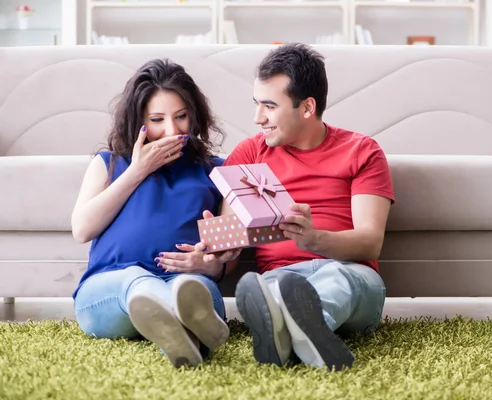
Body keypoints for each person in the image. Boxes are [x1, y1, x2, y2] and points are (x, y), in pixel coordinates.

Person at [222, 43, 395, 371]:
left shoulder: (362, 151)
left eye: (269, 106)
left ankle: (287, 332)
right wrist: (216, 247)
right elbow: (230, 241)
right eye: (257, 104)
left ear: (306, 107)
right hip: (280, 275)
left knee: (335, 280)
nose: (257, 118)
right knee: (272, 290)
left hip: (351, 274)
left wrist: (313, 239)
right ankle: (300, 335)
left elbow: (370, 241)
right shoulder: (248, 154)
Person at [71, 58, 239, 368]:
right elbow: (82, 229)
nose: (172, 131)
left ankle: (181, 339)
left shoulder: (217, 171)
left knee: (192, 290)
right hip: (110, 293)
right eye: (158, 119)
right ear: (138, 121)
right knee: (134, 280)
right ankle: (176, 317)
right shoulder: (108, 163)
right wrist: (138, 171)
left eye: (181, 117)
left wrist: (208, 267)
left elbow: (226, 261)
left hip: (187, 284)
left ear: (195, 115)